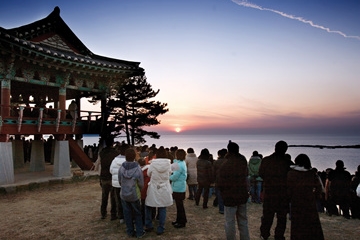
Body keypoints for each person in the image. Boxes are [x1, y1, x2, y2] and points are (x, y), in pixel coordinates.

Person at [259, 140, 293, 240]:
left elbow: (261, 174)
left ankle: (264, 234)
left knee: (267, 216)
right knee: (282, 218)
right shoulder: (288, 163)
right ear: (285, 150)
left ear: (275, 148)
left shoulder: (266, 160)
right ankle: (279, 236)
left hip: (269, 192)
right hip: (283, 194)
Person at [287, 154, 324, 240]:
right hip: (309, 201)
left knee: (297, 225)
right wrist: (314, 196)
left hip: (296, 201)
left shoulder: (291, 173)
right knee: (311, 224)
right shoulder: (311, 173)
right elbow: (318, 188)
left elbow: (289, 189)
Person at [218, 141, 250, 240]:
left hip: (229, 197)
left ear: (229, 150)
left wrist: (223, 193)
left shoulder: (226, 164)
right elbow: (246, 175)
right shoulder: (243, 161)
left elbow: (220, 182)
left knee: (229, 222)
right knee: (243, 221)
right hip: (242, 194)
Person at [144, 146, 173, 235]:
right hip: (164, 186)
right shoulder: (168, 164)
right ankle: (161, 227)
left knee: (149, 205)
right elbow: (169, 174)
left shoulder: (153, 164)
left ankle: (149, 225)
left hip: (154, 186)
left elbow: (149, 174)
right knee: (162, 207)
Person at [119, 148, 145, 238]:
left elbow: (120, 181)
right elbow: (141, 183)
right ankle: (139, 232)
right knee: (137, 213)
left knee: (127, 214)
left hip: (124, 194)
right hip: (134, 194)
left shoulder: (121, 168)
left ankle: (130, 231)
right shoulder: (137, 169)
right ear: (134, 156)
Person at [99, 137, 119, 220]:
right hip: (112, 176)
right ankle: (113, 214)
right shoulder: (116, 153)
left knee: (104, 196)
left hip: (103, 176)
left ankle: (103, 213)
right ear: (112, 143)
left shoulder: (102, 152)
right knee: (113, 197)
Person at [109, 144, 128, 223]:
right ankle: (127, 215)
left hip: (116, 184)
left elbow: (111, 171)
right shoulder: (128, 160)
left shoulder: (114, 160)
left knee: (118, 200)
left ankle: (121, 217)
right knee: (126, 200)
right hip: (126, 184)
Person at [170, 149, 188, 228]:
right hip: (180, 186)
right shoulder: (181, 163)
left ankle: (182, 221)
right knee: (179, 205)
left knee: (180, 206)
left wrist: (167, 177)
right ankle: (179, 220)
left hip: (178, 187)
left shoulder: (179, 165)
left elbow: (174, 177)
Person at [213, 148, 228, 214]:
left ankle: (221, 209)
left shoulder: (216, 162)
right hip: (227, 180)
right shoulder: (228, 161)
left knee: (219, 195)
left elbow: (213, 172)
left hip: (218, 180)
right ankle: (227, 208)